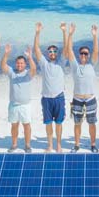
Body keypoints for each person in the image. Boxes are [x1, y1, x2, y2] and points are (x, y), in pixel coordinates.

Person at [63, 23, 99, 152]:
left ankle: (93, 145)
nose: (83, 55)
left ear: (88, 55)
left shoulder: (91, 65)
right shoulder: (75, 66)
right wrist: (70, 34)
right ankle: (77, 145)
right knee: (77, 123)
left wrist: (95, 36)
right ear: (79, 55)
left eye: (85, 54)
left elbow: (96, 51)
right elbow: (69, 50)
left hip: (90, 99)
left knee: (92, 123)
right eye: (82, 54)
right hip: (77, 99)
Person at [33, 22, 69, 153]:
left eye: (54, 51)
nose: (52, 53)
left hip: (59, 98)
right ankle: (49, 145)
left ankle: (58, 145)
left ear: (57, 53)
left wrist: (64, 31)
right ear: (48, 53)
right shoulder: (44, 64)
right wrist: (37, 33)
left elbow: (66, 48)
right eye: (50, 51)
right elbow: (36, 49)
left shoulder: (61, 62)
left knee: (59, 123)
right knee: (48, 123)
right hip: (46, 99)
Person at [0, 42, 37, 152]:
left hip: (25, 105)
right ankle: (14, 144)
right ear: (15, 64)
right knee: (14, 125)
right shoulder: (12, 73)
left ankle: (27, 145)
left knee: (27, 126)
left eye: (21, 63)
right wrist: (6, 54)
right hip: (13, 105)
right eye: (18, 63)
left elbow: (34, 68)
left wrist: (30, 57)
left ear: (25, 64)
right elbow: (3, 66)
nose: (19, 65)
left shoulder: (28, 74)